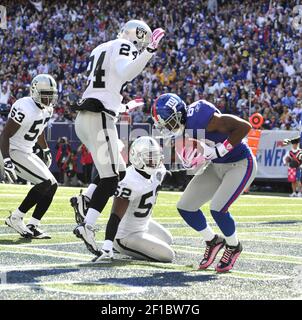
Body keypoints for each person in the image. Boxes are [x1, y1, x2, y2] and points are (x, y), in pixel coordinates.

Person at [72, 20, 165, 255]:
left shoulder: (100, 48)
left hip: (85, 118)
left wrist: (121, 107)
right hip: (99, 116)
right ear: (137, 37)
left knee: (119, 173)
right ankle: (88, 225)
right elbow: (125, 72)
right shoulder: (125, 45)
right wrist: (149, 52)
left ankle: (87, 199)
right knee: (112, 178)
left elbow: (105, 84)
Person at [152, 93, 257, 272]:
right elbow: (187, 157)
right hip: (216, 166)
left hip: (240, 163)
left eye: (168, 122)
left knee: (218, 208)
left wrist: (219, 151)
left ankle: (233, 245)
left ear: (178, 115)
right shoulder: (183, 130)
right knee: (186, 206)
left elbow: (244, 127)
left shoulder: (201, 117)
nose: (166, 127)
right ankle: (213, 240)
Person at [76, 136, 174, 262]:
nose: (153, 161)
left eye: (155, 156)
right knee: (168, 255)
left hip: (143, 223)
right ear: (136, 157)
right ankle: (120, 247)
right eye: (149, 157)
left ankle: (138, 245)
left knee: (167, 239)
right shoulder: (129, 180)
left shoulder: (157, 171)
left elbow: (168, 175)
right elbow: (115, 217)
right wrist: (107, 245)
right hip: (125, 235)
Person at [0, 74, 58, 239]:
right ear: (35, 91)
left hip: (27, 150)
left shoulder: (47, 109)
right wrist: (6, 159)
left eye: (51, 94)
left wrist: (45, 150)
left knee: (52, 185)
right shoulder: (24, 106)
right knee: (45, 182)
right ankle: (16, 217)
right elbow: (5, 135)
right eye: (45, 94)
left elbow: (38, 131)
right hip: (13, 150)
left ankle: (33, 224)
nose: (49, 98)